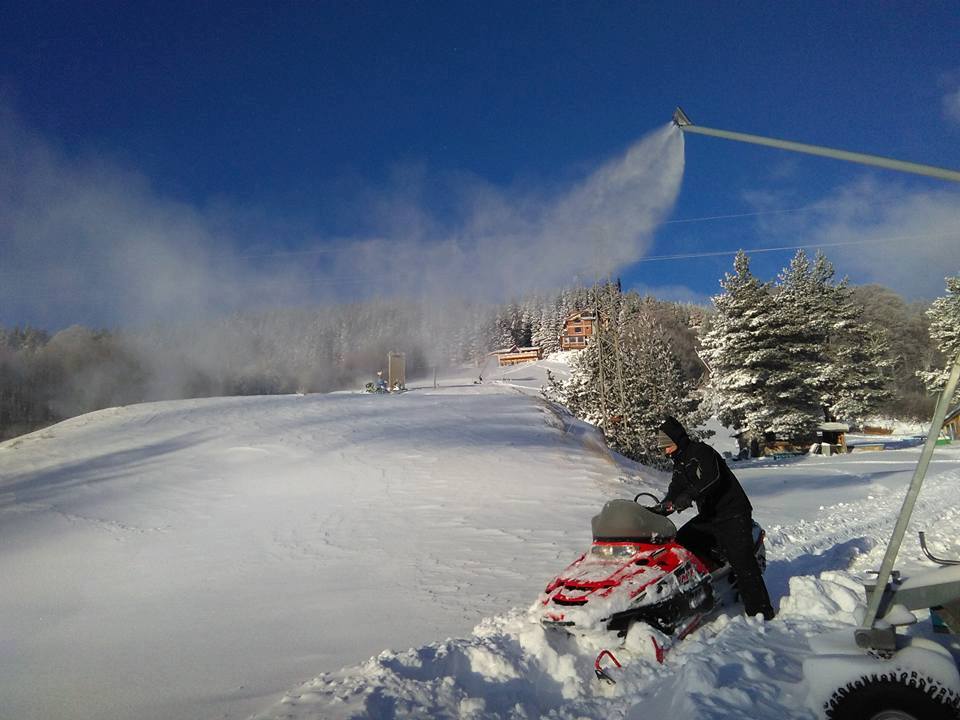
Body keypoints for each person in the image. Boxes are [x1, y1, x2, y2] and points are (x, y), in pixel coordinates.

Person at [653, 415, 776, 621]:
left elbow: (712, 478)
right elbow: (675, 490)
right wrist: (661, 508)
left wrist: (689, 495)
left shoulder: (700, 452)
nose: (665, 450)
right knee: (680, 545)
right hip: (709, 516)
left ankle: (761, 610)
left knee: (742, 561)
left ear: (677, 439)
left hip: (732, 512)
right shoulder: (680, 462)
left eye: (667, 445)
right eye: (662, 447)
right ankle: (697, 590)